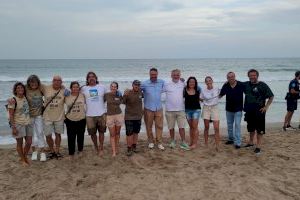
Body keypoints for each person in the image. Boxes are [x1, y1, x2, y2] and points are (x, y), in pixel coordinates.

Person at [243, 69, 274, 155]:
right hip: (249, 110)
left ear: (257, 76)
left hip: (259, 110)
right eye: (250, 75)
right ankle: (251, 142)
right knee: (251, 127)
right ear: (248, 76)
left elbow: (271, 96)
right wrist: (227, 82)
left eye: (254, 75)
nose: (252, 77)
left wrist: (266, 107)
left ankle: (258, 146)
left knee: (259, 129)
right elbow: (234, 83)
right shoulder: (246, 84)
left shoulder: (263, 85)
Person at [41, 75, 68, 159]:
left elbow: (72, 95)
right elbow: (34, 85)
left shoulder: (64, 90)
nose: (57, 82)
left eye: (59, 80)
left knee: (58, 135)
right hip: (47, 116)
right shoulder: (45, 88)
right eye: (55, 80)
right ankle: (52, 151)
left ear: (61, 82)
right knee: (48, 135)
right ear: (52, 81)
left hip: (59, 117)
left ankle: (57, 151)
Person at [81, 72, 107, 156]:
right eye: (89, 77)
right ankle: (96, 147)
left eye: (93, 77)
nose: (91, 78)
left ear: (96, 78)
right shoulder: (83, 88)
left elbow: (108, 97)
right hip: (89, 115)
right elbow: (74, 92)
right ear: (87, 79)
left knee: (102, 132)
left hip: (101, 113)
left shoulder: (102, 87)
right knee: (92, 133)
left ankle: (101, 147)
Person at [164, 69, 189, 150]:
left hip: (181, 110)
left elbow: (194, 87)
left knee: (182, 127)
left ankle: (183, 142)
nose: (176, 76)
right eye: (174, 75)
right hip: (169, 110)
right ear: (171, 76)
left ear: (180, 76)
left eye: (177, 75)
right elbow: (157, 91)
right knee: (171, 127)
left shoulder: (183, 83)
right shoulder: (166, 84)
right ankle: (172, 141)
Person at [8, 82, 32, 166]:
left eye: (22, 88)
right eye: (18, 88)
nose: (20, 89)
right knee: (20, 143)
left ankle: (24, 157)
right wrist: (13, 127)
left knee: (29, 142)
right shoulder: (13, 100)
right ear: (15, 90)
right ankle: (22, 160)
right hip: (18, 124)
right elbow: (10, 115)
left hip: (28, 123)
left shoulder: (26, 97)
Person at [141, 68, 165, 150]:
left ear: (157, 74)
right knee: (148, 126)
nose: (153, 76)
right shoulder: (144, 84)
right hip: (148, 108)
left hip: (159, 108)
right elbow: (136, 90)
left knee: (159, 126)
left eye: (155, 74)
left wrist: (182, 81)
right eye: (152, 74)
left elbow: (170, 87)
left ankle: (159, 142)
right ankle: (151, 141)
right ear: (149, 74)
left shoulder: (162, 82)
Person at [219, 72, 244, 149]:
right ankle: (231, 139)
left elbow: (249, 92)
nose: (231, 78)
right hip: (229, 109)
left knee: (237, 125)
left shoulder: (241, 84)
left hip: (238, 109)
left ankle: (238, 143)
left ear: (235, 77)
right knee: (229, 125)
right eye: (229, 77)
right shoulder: (226, 85)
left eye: (232, 77)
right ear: (227, 78)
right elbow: (220, 95)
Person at [64, 81, 86, 159]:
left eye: (77, 87)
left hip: (81, 119)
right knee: (71, 137)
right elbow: (59, 104)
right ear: (71, 88)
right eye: (73, 87)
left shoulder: (83, 95)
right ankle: (71, 153)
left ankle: (80, 150)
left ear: (79, 88)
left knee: (80, 136)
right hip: (70, 120)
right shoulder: (66, 96)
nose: (75, 88)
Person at [123, 80, 143, 156]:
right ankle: (129, 148)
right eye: (135, 85)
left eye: (138, 85)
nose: (137, 86)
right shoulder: (128, 92)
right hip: (129, 117)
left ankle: (134, 147)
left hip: (138, 116)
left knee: (136, 132)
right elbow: (123, 102)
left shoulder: (141, 92)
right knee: (129, 133)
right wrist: (125, 94)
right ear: (132, 85)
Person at [200, 76, 220, 151]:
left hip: (215, 108)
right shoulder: (203, 90)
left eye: (210, 80)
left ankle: (217, 145)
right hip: (206, 108)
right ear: (205, 82)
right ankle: (206, 143)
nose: (208, 82)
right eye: (207, 81)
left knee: (216, 128)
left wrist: (226, 83)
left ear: (212, 81)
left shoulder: (217, 89)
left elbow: (222, 93)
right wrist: (205, 102)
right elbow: (200, 98)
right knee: (206, 127)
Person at [104, 82, 123, 157]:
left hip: (119, 115)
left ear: (117, 88)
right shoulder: (106, 95)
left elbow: (123, 101)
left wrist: (123, 94)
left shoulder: (119, 95)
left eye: (115, 87)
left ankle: (117, 148)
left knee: (117, 133)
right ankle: (114, 152)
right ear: (110, 87)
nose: (113, 88)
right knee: (112, 134)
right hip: (109, 116)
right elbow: (99, 102)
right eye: (112, 86)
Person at [184, 77, 201, 149]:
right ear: (188, 82)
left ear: (195, 83)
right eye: (190, 82)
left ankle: (194, 144)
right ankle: (191, 142)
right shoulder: (184, 89)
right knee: (191, 127)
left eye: (193, 82)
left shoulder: (198, 89)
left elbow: (205, 94)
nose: (192, 83)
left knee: (194, 127)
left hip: (196, 110)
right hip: (187, 110)